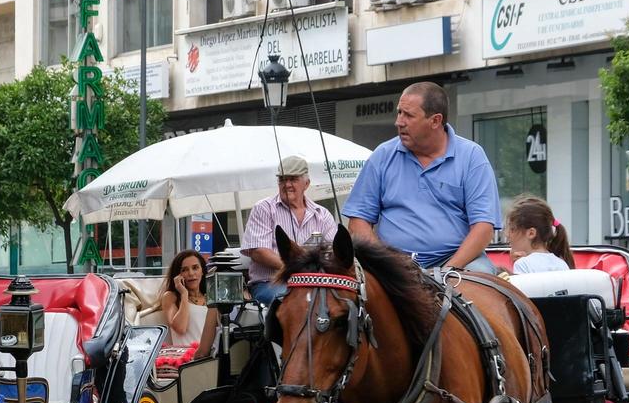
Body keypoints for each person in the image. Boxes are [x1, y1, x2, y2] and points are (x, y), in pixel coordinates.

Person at [343, 81, 502, 273]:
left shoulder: (472, 157)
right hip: (391, 265)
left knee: (480, 282)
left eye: (408, 115)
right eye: (399, 112)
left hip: (458, 262)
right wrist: (384, 262)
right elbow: (358, 220)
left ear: (435, 121)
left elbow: (483, 227)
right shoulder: (382, 155)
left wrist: (449, 270)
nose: (399, 122)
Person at [240, 154, 339, 304]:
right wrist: (297, 268)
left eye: (292, 179)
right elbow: (259, 252)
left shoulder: (322, 215)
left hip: (313, 284)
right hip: (270, 284)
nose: (287, 184)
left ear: (306, 184)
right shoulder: (264, 208)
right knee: (296, 301)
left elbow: (331, 253)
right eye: (282, 179)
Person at [157, 249, 217, 360]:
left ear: (202, 271)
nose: (191, 273)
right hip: (187, 359)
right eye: (184, 270)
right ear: (178, 275)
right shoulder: (171, 296)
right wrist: (184, 294)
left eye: (195, 268)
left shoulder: (211, 297)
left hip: (211, 357)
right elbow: (180, 328)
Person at [504, 196, 574, 273]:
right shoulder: (562, 264)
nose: (507, 234)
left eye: (512, 229)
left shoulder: (522, 265)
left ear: (531, 233)